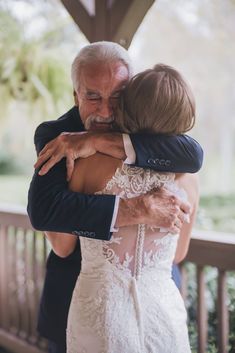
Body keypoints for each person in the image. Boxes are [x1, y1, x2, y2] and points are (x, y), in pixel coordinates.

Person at [27, 42, 203, 353]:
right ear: (76, 95)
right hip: (78, 296)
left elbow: (194, 156)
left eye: (118, 97)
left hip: (156, 303)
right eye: (93, 96)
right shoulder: (57, 135)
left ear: (132, 93)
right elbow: (45, 212)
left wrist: (95, 139)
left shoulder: (151, 137)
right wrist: (137, 209)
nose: (107, 111)